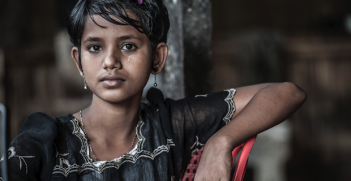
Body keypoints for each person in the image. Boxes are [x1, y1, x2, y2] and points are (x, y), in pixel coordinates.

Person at [0, 0, 306, 180]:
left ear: (157, 57)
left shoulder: (173, 124)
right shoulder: (45, 138)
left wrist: (221, 143)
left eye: (129, 46)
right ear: (78, 61)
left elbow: (286, 92)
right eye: (95, 47)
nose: (110, 61)